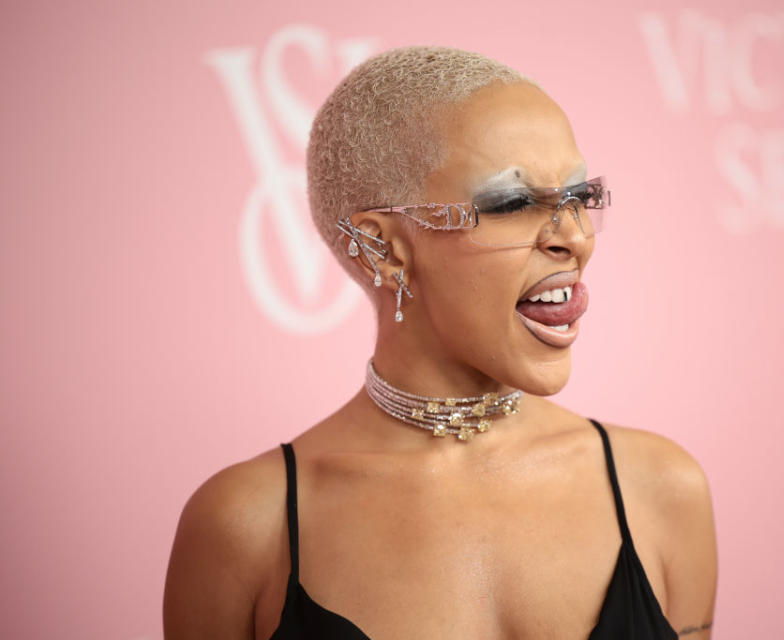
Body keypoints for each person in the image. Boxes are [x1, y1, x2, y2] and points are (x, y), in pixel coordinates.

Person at [163, 46, 717, 639]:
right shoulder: (245, 527)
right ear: (386, 249)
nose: (574, 239)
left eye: (579, 196)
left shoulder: (660, 488)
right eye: (512, 202)